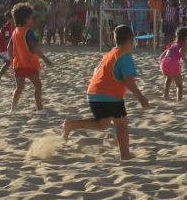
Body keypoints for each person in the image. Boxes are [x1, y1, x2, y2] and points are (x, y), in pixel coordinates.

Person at [63, 24, 149, 160]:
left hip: (93, 94)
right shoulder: (125, 57)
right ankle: (125, 155)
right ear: (131, 41)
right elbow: (129, 82)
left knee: (102, 124)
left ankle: (72, 125)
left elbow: (98, 72)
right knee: (121, 125)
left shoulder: (110, 54)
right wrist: (141, 97)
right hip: (110, 96)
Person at [8, 3, 53, 112]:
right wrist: (45, 59)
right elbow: (34, 48)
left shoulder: (15, 31)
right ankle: (40, 109)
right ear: (26, 19)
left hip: (18, 65)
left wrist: (11, 61)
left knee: (19, 87)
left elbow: (9, 47)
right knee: (38, 85)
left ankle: (12, 108)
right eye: (32, 18)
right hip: (29, 64)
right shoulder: (28, 32)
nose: (33, 20)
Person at [160, 27, 187, 102]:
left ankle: (166, 96)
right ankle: (179, 100)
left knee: (169, 79)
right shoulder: (184, 44)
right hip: (173, 63)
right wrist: (186, 62)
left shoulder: (173, 44)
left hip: (164, 62)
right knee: (179, 85)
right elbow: (181, 53)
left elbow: (161, 56)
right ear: (186, 37)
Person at [0, 11, 15, 80]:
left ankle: (2, 72)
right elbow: (7, 40)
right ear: (8, 19)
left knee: (9, 61)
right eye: (13, 18)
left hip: (4, 47)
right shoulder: (6, 28)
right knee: (8, 62)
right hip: (1, 48)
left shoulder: (12, 26)